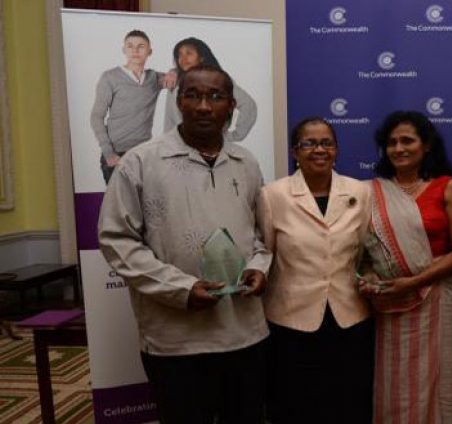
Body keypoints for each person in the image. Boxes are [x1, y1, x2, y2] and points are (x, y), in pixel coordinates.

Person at [98, 65, 269, 424]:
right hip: (175, 339)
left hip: (244, 333)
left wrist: (258, 267)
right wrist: (182, 288)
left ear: (231, 106)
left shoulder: (246, 162)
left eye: (215, 96)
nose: (204, 106)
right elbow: (117, 241)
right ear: (179, 102)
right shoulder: (140, 162)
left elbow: (261, 234)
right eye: (193, 95)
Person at [357, 111, 452, 423]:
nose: (399, 148)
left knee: (441, 377)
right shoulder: (371, 192)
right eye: (391, 142)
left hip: (439, 297)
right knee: (395, 379)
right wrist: (370, 279)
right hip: (391, 299)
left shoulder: (447, 187)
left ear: (427, 145)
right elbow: (364, 254)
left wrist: (413, 282)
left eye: (407, 140)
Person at [258, 117, 373, 423]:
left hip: (349, 318)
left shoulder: (359, 191)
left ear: (336, 149)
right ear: (295, 152)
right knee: (295, 404)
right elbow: (265, 254)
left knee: (347, 402)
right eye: (308, 143)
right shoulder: (273, 195)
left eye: (326, 143)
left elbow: (363, 251)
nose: (318, 150)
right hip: (291, 320)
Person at [90, 30, 172, 184]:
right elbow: (96, 117)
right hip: (116, 153)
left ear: (150, 52)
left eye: (141, 46)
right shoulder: (110, 77)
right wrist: (108, 153)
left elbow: (180, 78)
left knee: (145, 204)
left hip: (144, 153)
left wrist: (173, 72)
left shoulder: (153, 78)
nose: (135, 51)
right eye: (130, 46)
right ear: (124, 50)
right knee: (120, 205)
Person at [163, 37, 257, 142]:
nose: (183, 58)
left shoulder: (218, 80)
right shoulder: (174, 81)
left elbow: (248, 105)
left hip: (210, 147)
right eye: (179, 54)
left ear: (202, 57)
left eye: (189, 53)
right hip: (178, 146)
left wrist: (235, 135)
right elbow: (169, 120)